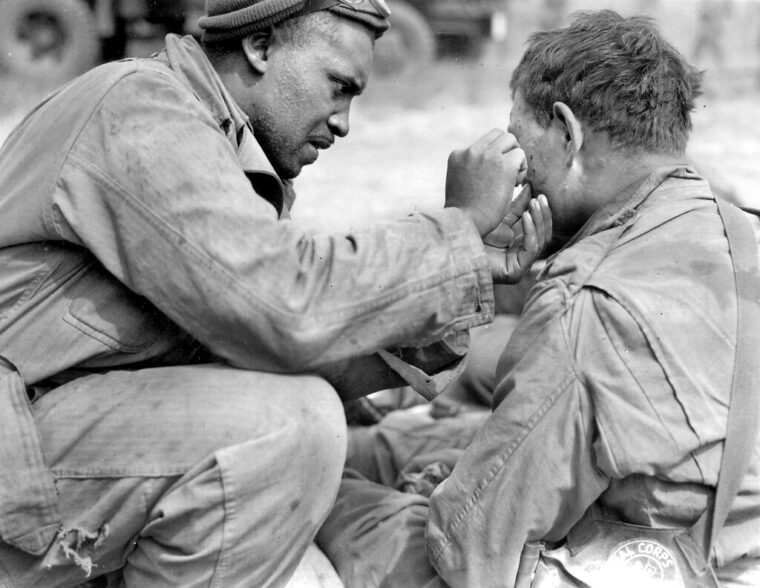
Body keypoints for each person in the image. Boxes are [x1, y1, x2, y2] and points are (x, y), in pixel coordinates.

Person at [0, 0, 552, 585]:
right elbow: (284, 309)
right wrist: (455, 230)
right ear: (260, 47)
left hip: (41, 444)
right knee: (289, 427)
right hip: (18, 448)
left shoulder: (219, 148)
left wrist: (469, 269)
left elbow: (285, 346)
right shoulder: (139, 106)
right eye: (338, 86)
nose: (344, 122)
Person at [316, 10, 760, 588]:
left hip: (688, 570)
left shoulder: (588, 299)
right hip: (729, 539)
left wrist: (459, 228)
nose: (520, 186)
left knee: (331, 486)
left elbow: (471, 550)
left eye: (520, 151)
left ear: (568, 134)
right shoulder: (739, 229)